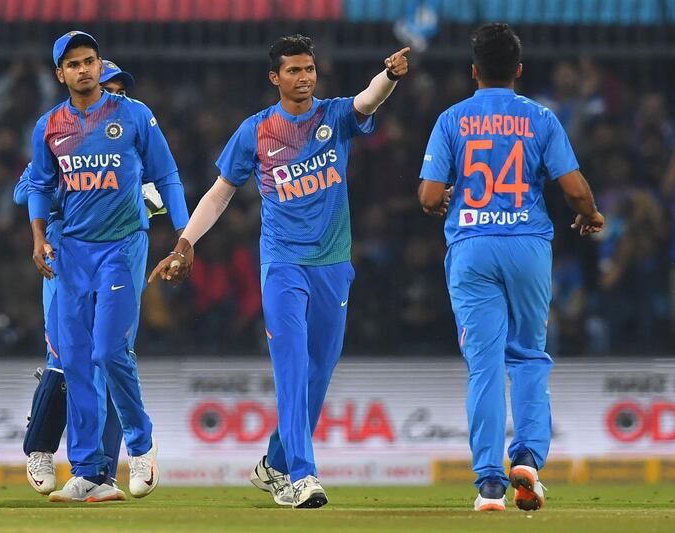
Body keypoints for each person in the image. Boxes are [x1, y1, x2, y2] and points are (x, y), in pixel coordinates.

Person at [148, 35, 409, 509]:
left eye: (309, 68)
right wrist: (185, 241)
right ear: (275, 77)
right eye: (293, 70)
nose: (304, 77)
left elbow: (368, 99)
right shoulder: (256, 131)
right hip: (282, 264)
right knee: (291, 369)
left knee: (317, 373)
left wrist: (389, 76)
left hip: (332, 265)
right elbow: (220, 192)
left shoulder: (334, 116)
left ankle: (273, 463)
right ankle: (301, 477)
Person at [417, 23, 604, 512]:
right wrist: (589, 215)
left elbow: (429, 195)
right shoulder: (541, 118)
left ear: (473, 71)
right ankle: (527, 458)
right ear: (518, 70)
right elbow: (575, 189)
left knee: (484, 366)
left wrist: (451, 199)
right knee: (528, 357)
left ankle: (489, 484)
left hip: (472, 248)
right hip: (526, 247)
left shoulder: (452, 119)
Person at [26, 32, 189, 503]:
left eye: (90, 61)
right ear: (61, 74)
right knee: (75, 361)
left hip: (122, 246)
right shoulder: (49, 126)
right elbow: (36, 184)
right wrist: (38, 236)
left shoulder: (135, 115)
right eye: (74, 64)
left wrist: (183, 238)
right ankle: (89, 472)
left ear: (100, 65)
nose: (84, 69)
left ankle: (141, 446)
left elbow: (168, 176)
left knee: (109, 352)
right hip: (71, 251)